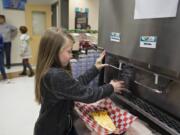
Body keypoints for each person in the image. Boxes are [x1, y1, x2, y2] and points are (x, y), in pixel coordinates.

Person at [34, 29, 125, 135]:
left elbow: (75, 85)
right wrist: (111, 87)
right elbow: (88, 95)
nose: (71, 55)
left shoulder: (52, 71)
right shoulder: (55, 75)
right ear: (54, 52)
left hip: (60, 125)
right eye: (68, 51)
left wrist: (95, 69)